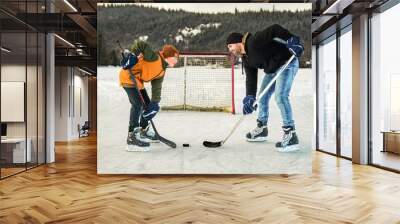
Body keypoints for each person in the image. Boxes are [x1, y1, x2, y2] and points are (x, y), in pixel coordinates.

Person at [226, 24, 304, 152]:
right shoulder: (246, 59)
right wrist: (250, 96)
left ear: (237, 42)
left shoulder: (254, 41)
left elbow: (274, 29)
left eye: (230, 46)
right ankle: (262, 129)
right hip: (273, 69)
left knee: (281, 96)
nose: (230, 50)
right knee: (261, 98)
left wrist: (292, 40)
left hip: (287, 62)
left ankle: (291, 135)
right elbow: (250, 79)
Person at [119, 40, 179, 151]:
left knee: (147, 105)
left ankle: (144, 130)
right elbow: (141, 44)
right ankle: (132, 137)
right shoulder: (154, 57)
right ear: (169, 56)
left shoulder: (162, 70)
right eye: (175, 59)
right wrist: (132, 55)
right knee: (137, 104)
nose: (176, 62)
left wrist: (155, 102)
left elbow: (157, 86)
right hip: (128, 76)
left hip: (137, 82)